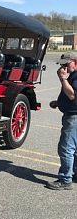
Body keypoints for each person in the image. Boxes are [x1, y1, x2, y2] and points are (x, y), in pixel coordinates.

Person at [46, 52, 77, 190]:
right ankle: (74, 173)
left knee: (66, 148)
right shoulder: (73, 76)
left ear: (75, 62)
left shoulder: (74, 77)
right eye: (62, 64)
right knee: (74, 149)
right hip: (72, 114)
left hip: (73, 117)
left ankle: (65, 180)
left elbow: (71, 95)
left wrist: (63, 79)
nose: (64, 67)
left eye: (66, 63)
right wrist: (58, 102)